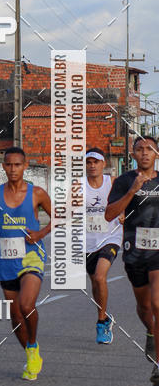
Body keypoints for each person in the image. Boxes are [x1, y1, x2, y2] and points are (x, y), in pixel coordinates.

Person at [0, 147, 51, 381]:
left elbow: (59, 217)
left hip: (32, 255)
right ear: (3, 167)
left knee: (27, 304)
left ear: (25, 166)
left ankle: (31, 345)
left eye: (17, 165)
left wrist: (41, 234)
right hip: (6, 260)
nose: (13, 169)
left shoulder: (37, 193)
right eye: (9, 165)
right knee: (15, 316)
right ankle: (32, 353)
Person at [106, 135, 159, 386]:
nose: (145, 153)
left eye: (150, 149)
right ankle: (150, 331)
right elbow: (110, 214)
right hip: (134, 251)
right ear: (133, 154)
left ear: (157, 154)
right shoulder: (124, 181)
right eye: (139, 149)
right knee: (145, 307)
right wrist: (132, 190)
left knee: (158, 303)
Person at [85, 147, 122, 344]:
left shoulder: (112, 182)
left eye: (96, 162)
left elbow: (127, 201)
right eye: (88, 162)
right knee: (95, 283)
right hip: (87, 242)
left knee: (100, 276)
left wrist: (124, 214)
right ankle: (105, 315)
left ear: (103, 164)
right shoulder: (78, 186)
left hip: (110, 237)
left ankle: (101, 323)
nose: (92, 166)